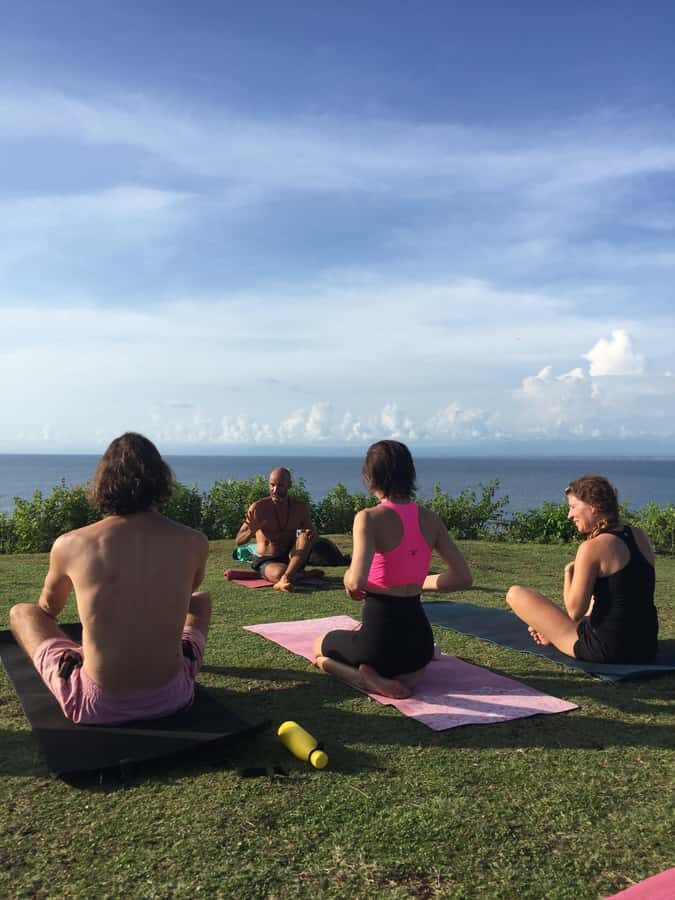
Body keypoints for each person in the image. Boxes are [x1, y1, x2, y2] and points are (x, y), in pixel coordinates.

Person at [8, 432, 211, 725]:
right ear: (161, 480)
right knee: (200, 603)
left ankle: (80, 660)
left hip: (97, 706)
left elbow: (48, 609)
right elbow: (186, 596)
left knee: (22, 613)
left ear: (104, 481)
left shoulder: (71, 544)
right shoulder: (194, 541)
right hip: (174, 697)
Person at [313, 440, 473, 698]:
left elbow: (356, 582)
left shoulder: (368, 517)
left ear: (371, 476)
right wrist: (416, 582)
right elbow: (463, 578)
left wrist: (347, 578)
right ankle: (401, 680)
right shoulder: (431, 519)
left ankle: (363, 678)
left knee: (318, 645)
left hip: (378, 644)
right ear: (410, 474)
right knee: (409, 674)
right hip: (419, 645)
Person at [506, 475, 658, 663]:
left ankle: (555, 635)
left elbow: (574, 611)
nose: (569, 515)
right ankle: (554, 634)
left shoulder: (591, 548)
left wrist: (568, 574)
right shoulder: (638, 535)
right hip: (646, 646)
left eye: (572, 507)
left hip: (609, 649)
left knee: (515, 594)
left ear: (592, 508)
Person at [233, 467, 322, 592]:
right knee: (279, 573)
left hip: (292, 557)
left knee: (303, 537)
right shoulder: (258, 508)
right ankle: (295, 576)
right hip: (267, 559)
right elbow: (239, 541)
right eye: (272, 485)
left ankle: (286, 578)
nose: (274, 490)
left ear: (289, 485)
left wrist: (310, 534)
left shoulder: (300, 508)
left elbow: (314, 535)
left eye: (280, 486)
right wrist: (251, 532)